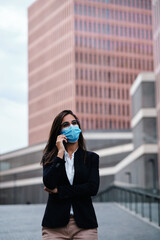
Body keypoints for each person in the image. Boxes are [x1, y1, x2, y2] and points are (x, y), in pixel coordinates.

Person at [40, 109, 100, 240]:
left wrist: (60, 190)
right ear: (59, 131)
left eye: (74, 122)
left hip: (85, 225)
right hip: (54, 227)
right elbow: (49, 183)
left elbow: (92, 188)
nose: (71, 126)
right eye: (65, 124)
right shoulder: (50, 158)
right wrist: (60, 153)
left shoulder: (91, 158)